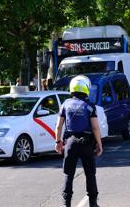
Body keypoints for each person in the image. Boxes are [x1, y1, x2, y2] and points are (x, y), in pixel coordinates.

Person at [55, 75, 103, 207]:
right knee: (90, 174)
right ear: (86, 88)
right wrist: (99, 144)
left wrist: (57, 142)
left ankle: (66, 203)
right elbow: (95, 127)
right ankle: (93, 203)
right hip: (86, 143)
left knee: (68, 174)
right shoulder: (89, 106)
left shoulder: (65, 104)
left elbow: (59, 126)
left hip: (70, 143)